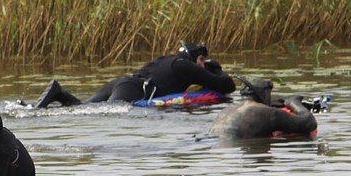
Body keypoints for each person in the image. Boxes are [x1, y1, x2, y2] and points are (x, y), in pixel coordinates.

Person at [34, 41, 236, 108]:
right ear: (195, 58)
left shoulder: (164, 60)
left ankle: (58, 94)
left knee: (82, 109)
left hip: (122, 83)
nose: (202, 65)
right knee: (99, 114)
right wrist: (213, 67)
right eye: (201, 60)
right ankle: (57, 93)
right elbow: (227, 86)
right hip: (134, 90)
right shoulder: (186, 67)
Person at [208, 75, 318, 140]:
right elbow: (308, 122)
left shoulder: (226, 110)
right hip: (232, 145)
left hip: (212, 144)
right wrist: (294, 102)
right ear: (264, 94)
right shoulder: (267, 112)